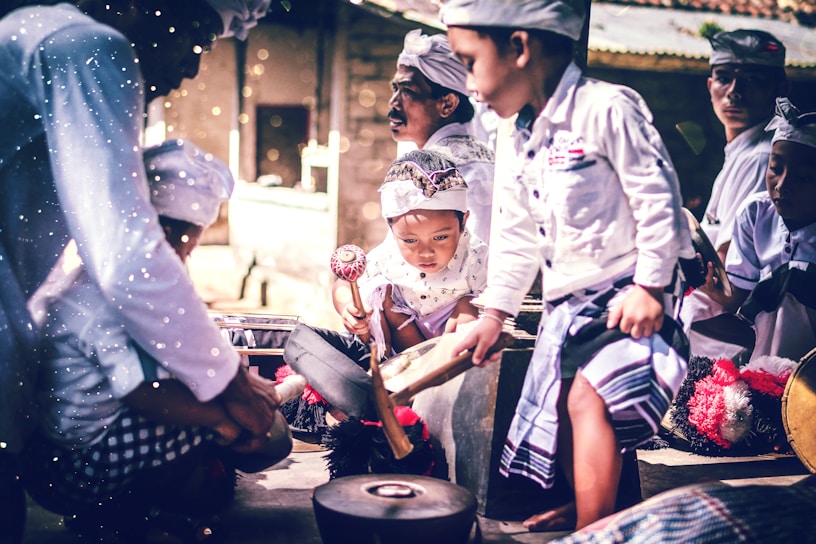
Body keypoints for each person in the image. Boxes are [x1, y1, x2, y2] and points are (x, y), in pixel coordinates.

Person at [0, 1, 271, 542]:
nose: (194, 66)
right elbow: (126, 257)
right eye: (194, 35)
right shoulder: (86, 46)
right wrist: (230, 388)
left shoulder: (31, 30)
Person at [442, 0, 694, 531]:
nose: (469, 85)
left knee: (590, 399)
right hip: (568, 308)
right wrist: (493, 315)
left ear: (518, 47)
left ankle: (596, 532)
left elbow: (659, 202)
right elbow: (514, 236)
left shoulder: (608, 108)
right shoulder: (516, 136)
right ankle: (595, 505)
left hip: (632, 298)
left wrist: (650, 285)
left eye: (468, 61)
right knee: (566, 417)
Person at [20, 138, 294, 540]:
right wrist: (223, 419)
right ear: (166, 233)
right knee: (267, 435)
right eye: (187, 242)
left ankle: (130, 503)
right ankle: (149, 506)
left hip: (47, 458)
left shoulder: (92, 271)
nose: (186, 255)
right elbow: (145, 392)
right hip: (77, 470)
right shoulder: (128, 291)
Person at [284, 149, 488, 421]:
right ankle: (383, 404)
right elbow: (344, 285)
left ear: (463, 221)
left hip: (450, 363)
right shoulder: (389, 255)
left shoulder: (477, 258)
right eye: (410, 241)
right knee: (378, 292)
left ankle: (401, 410)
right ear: (392, 229)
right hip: (397, 361)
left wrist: (472, 310)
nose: (425, 252)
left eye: (440, 238)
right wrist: (350, 310)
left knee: (469, 311)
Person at [680, 29, 790, 359]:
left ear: (779, 89)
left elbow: (725, 278)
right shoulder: (741, 152)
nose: (734, 92)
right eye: (724, 78)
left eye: (752, 80)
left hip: (739, 348)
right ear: (709, 85)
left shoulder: (760, 159)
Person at [696, 98, 816, 363]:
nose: (782, 185)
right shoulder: (756, 213)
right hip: (762, 357)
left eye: (805, 177)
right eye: (775, 168)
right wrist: (708, 288)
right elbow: (736, 298)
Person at [389, 28, 496, 243]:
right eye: (395, 89)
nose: (394, 102)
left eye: (407, 91)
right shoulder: (486, 156)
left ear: (447, 104)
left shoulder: (432, 172)